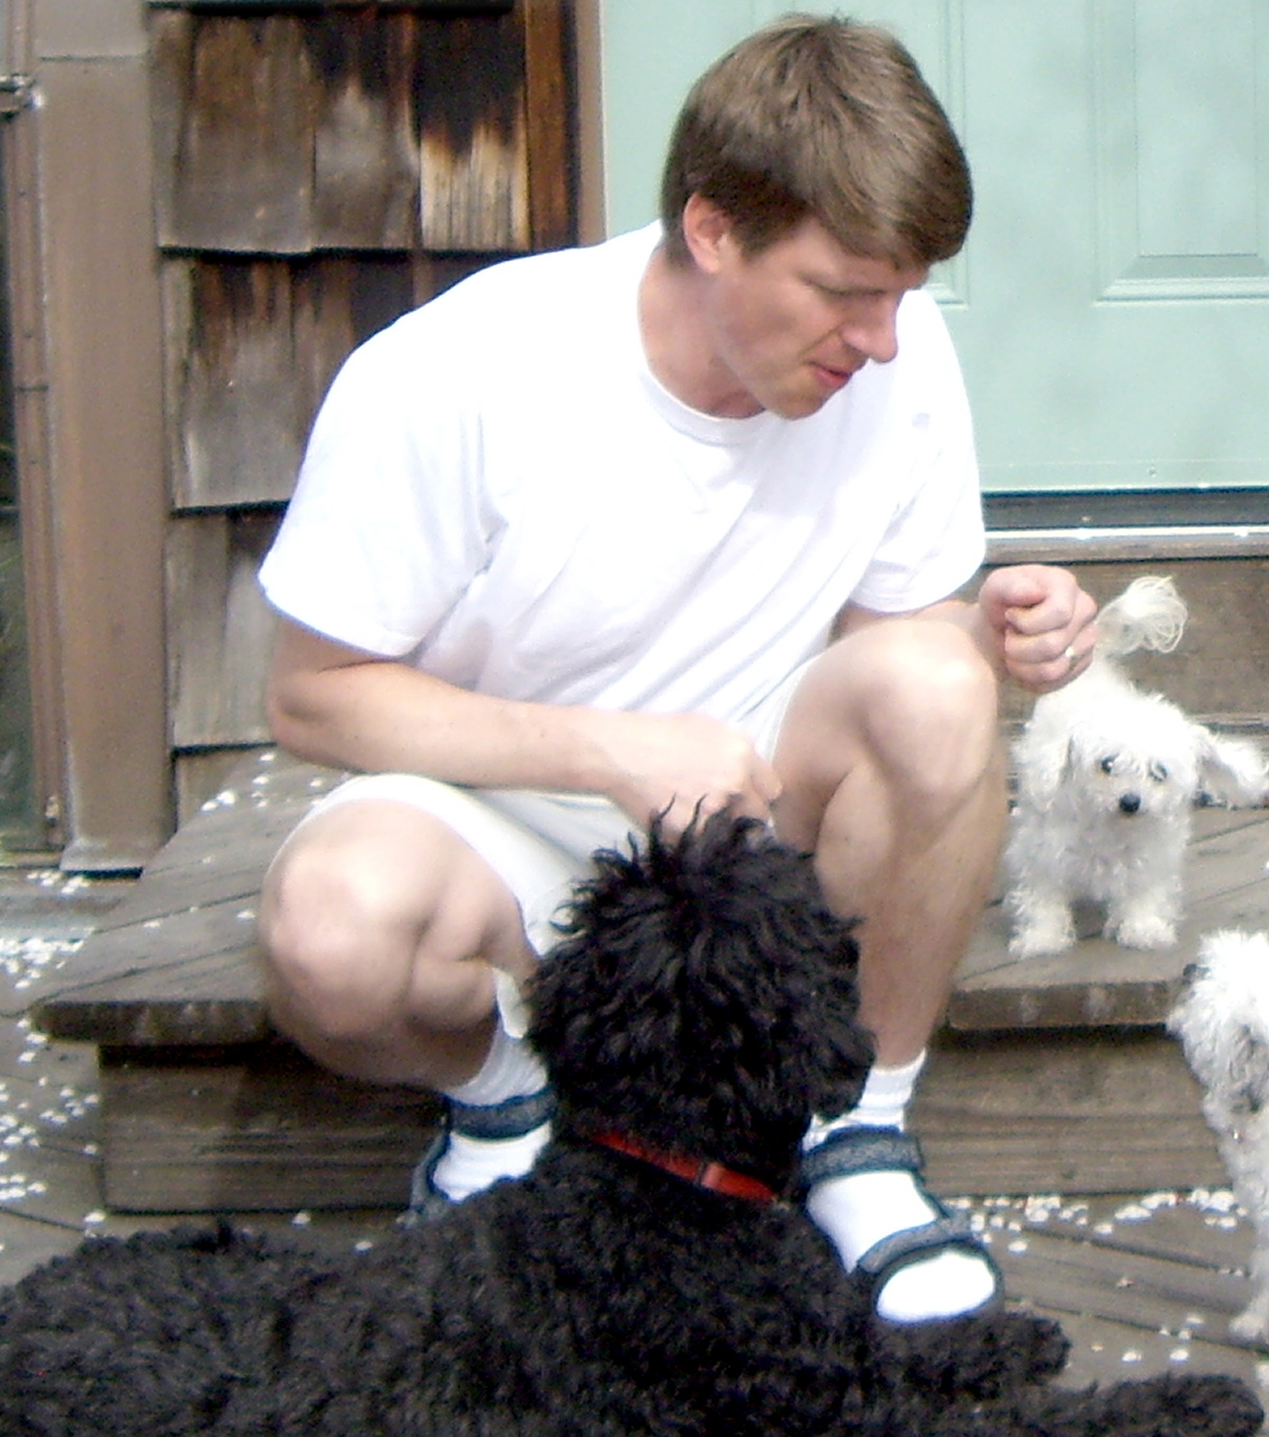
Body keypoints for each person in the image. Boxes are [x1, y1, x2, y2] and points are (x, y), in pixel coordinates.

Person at [255, 14, 1096, 1324]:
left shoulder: (900, 362)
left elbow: (902, 662)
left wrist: (1005, 643)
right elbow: (311, 693)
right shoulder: (457, 374)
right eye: (844, 290)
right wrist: (607, 749)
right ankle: (501, 1108)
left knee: (943, 688)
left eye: (901, 293)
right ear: (713, 231)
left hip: (758, 836)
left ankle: (857, 1132)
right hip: (501, 827)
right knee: (331, 930)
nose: (882, 338)